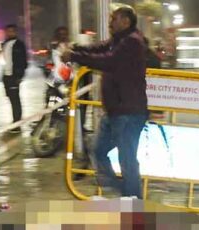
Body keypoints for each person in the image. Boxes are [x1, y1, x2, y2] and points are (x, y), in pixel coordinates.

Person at [62, 7, 148, 198]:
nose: (110, 22)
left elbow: (108, 61)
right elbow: (98, 49)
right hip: (115, 111)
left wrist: (74, 56)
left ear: (125, 21)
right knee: (98, 150)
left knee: (127, 160)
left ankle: (133, 202)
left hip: (128, 113)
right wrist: (76, 48)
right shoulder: (118, 40)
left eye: (114, 19)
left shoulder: (132, 42)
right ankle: (123, 191)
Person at [1, 24, 28, 128]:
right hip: (6, 76)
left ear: (15, 32)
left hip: (14, 76)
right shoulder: (5, 44)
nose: (10, 33)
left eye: (12, 31)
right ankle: (16, 119)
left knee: (15, 99)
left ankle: (17, 122)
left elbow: (23, 62)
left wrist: (19, 76)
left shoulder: (19, 45)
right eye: (8, 31)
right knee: (10, 97)